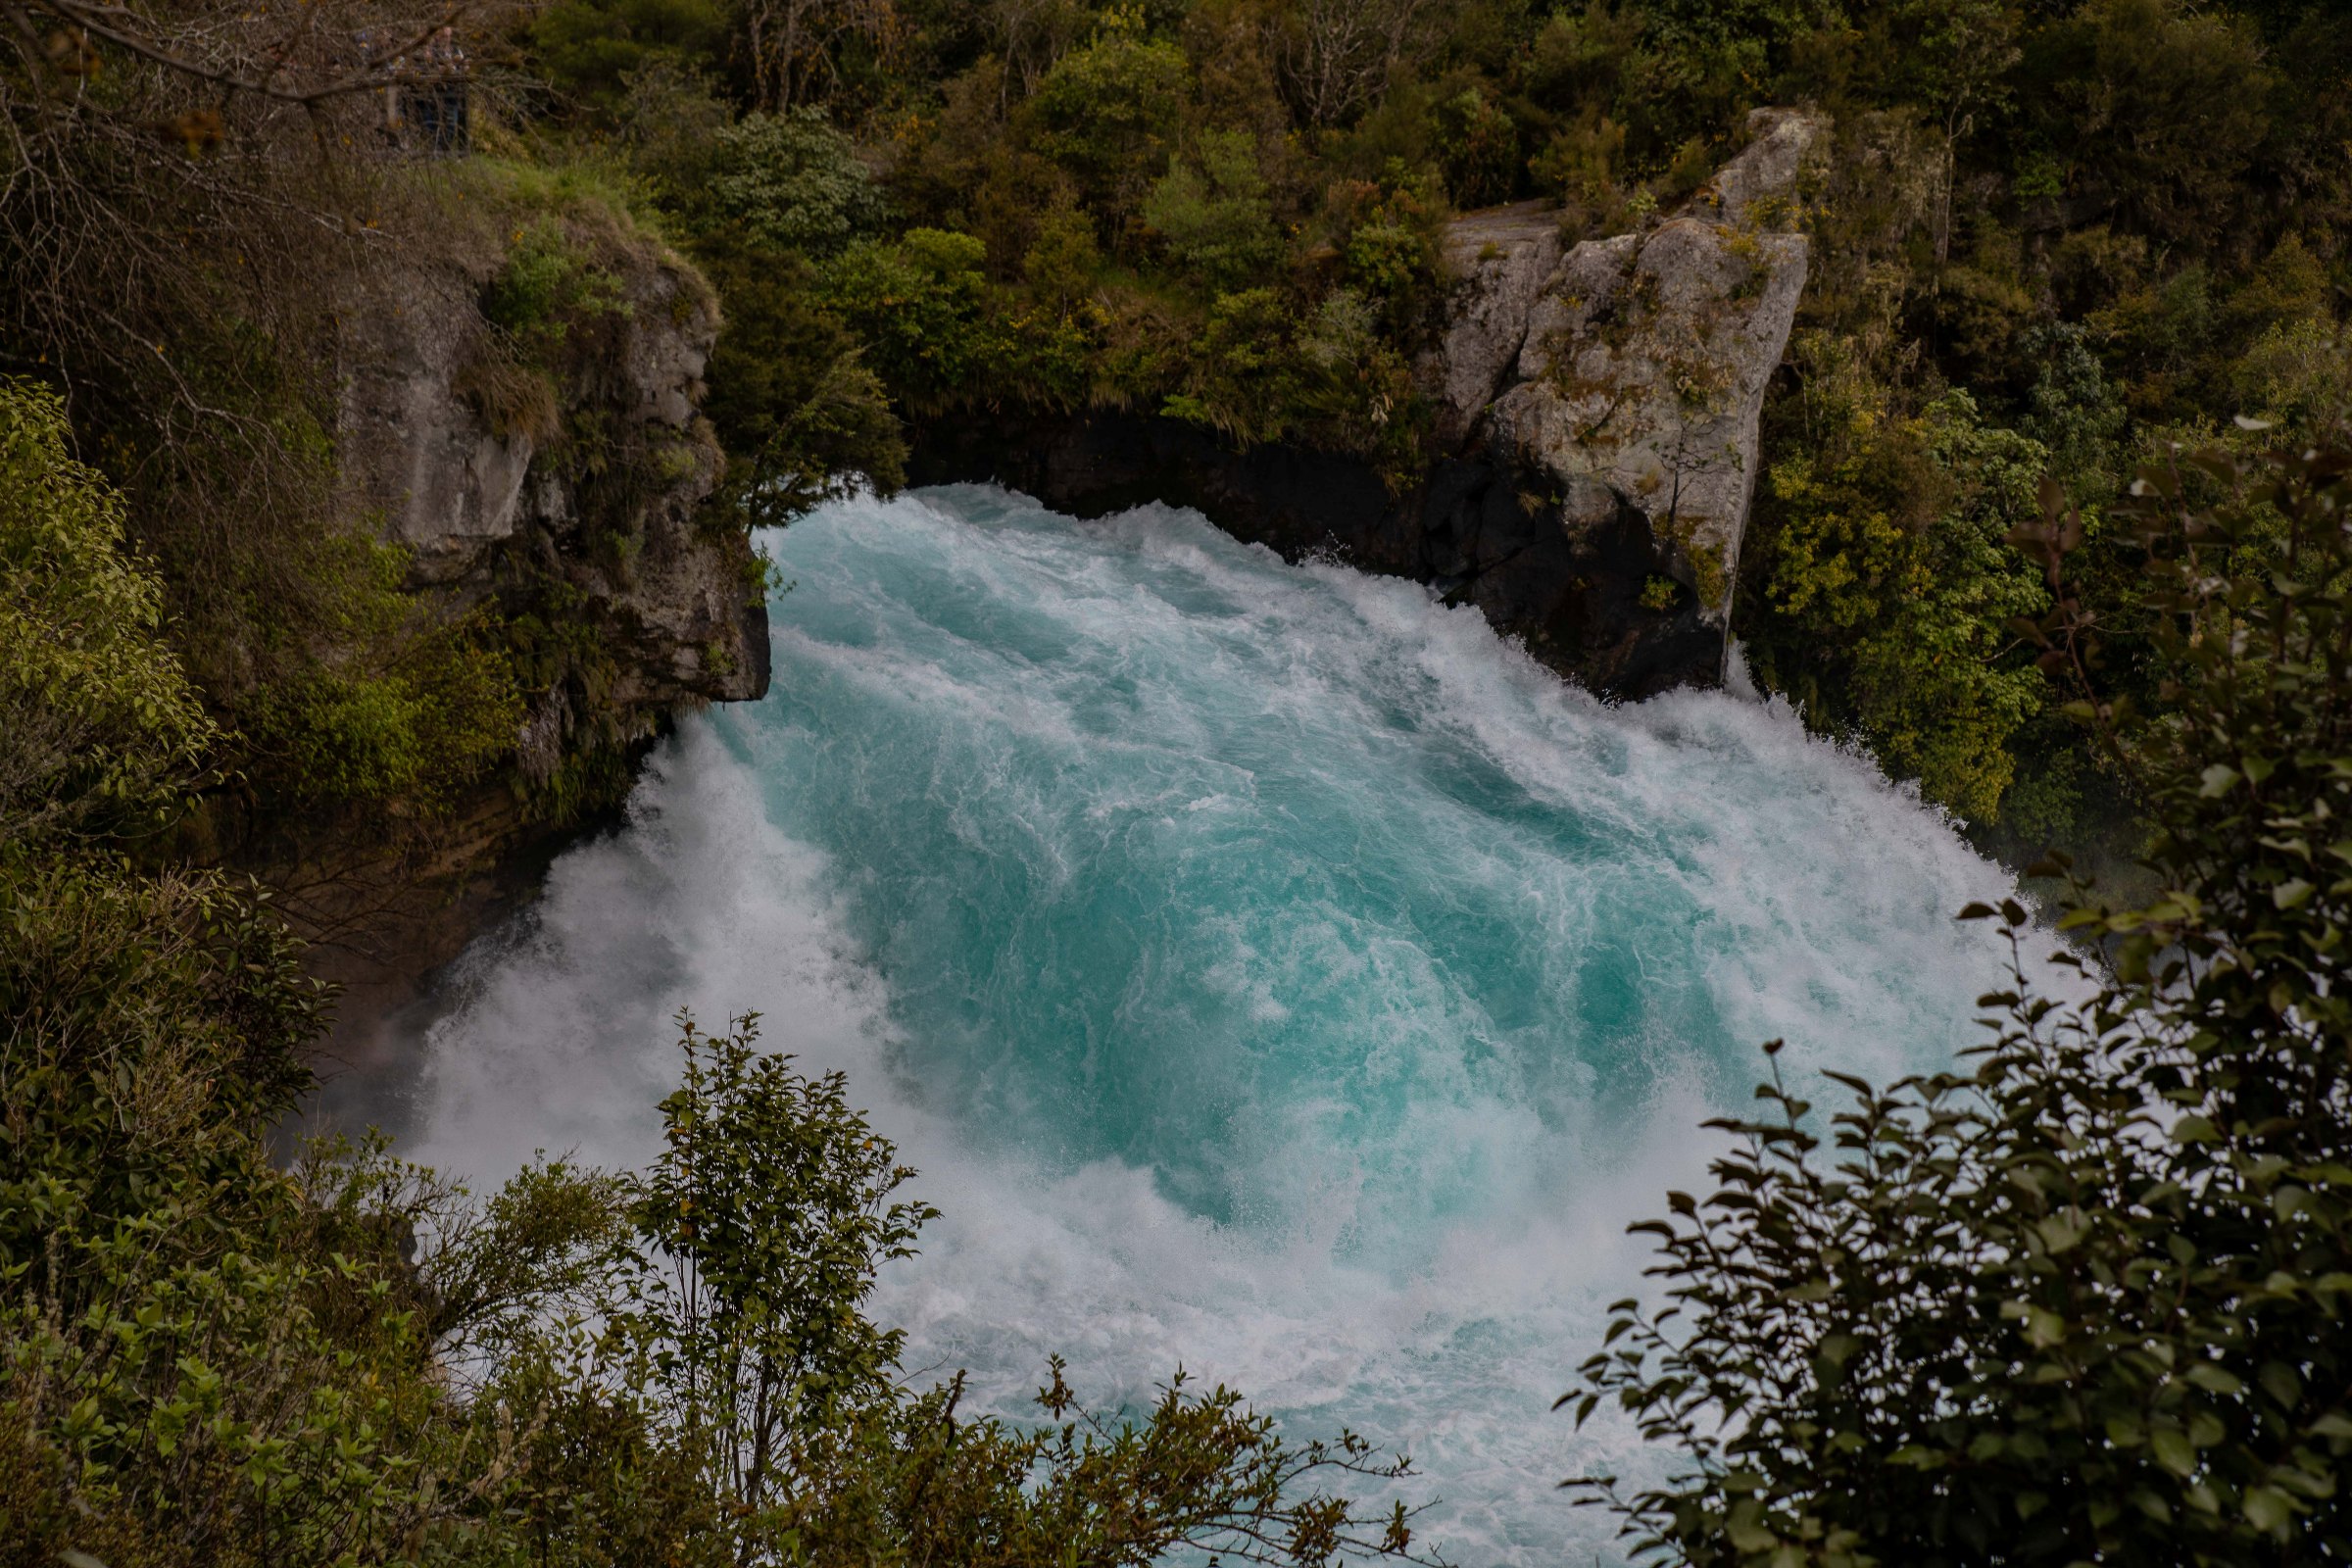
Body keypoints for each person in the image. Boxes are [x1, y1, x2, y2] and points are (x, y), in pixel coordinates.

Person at [401, 25, 468, 156]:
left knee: (451, 123)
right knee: (431, 123)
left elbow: (464, 64)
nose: (447, 39)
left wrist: (463, 66)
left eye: (449, 36)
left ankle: (445, 151)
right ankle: (433, 151)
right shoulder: (432, 50)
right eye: (444, 36)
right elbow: (428, 66)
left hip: (453, 92)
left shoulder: (456, 50)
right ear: (438, 36)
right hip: (434, 92)